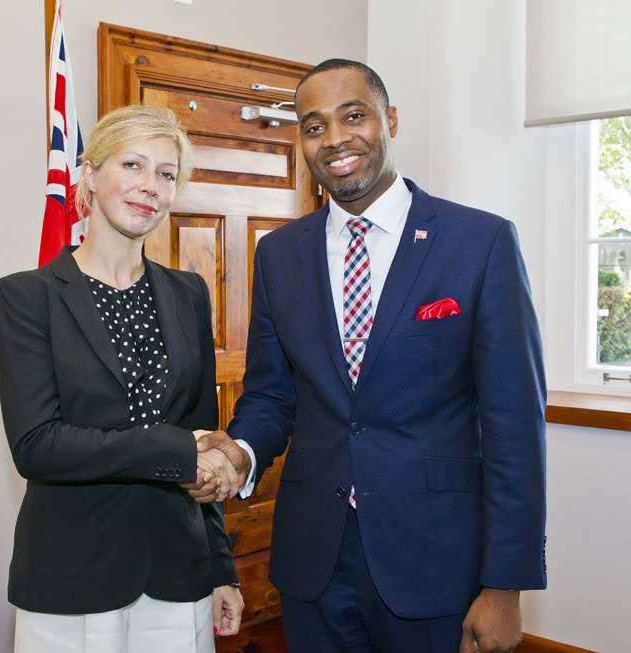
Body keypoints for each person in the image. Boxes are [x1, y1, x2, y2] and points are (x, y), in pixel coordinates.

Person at [192, 59, 547, 653]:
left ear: (391, 120)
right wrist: (241, 449)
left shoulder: (479, 242)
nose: (334, 139)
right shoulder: (279, 253)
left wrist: (505, 583)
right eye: (314, 126)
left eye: (353, 116)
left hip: (435, 560)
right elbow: (273, 395)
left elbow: (515, 426)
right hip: (315, 561)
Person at [0, 104, 244, 653]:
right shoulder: (26, 296)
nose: (150, 185)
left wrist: (220, 567)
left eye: (166, 173)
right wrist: (174, 450)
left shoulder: (188, 293)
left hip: (179, 571)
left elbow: (202, 436)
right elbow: (38, 446)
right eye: (133, 165)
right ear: (90, 174)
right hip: (73, 573)